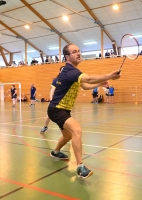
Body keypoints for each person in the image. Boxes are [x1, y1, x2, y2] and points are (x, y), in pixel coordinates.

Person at [47, 43, 120, 178]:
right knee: (77, 130)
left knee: (68, 136)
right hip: (57, 109)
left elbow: (85, 85)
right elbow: (89, 78)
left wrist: (99, 84)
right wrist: (109, 75)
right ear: (67, 57)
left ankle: (55, 152)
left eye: (79, 51)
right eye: (74, 52)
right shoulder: (70, 71)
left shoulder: (71, 72)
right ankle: (80, 167)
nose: (78, 53)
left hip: (62, 109)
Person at [40, 67, 64, 134]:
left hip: (63, 102)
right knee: (49, 115)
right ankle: (45, 126)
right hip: (55, 101)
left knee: (64, 116)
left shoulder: (67, 80)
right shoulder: (56, 80)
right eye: (62, 70)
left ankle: (64, 129)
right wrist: (51, 100)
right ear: (60, 72)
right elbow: (52, 90)